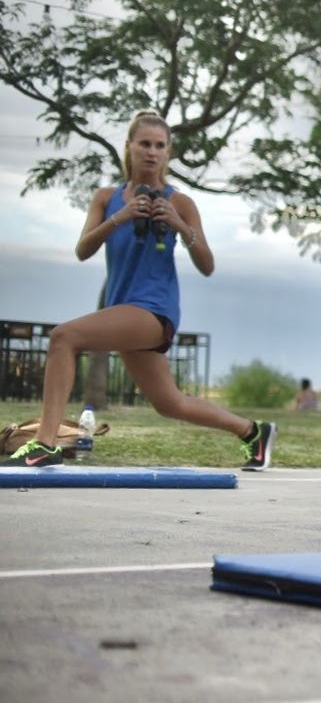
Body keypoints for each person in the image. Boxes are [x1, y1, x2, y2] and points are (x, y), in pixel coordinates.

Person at [5, 111, 276, 470]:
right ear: (129, 147)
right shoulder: (106, 198)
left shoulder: (181, 202)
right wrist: (121, 217)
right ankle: (253, 433)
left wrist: (179, 226)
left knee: (63, 337)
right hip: (123, 308)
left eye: (160, 146)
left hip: (154, 309)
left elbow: (207, 265)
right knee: (170, 403)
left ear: (168, 153)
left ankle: (46, 443)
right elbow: (83, 250)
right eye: (144, 144)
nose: (152, 152)